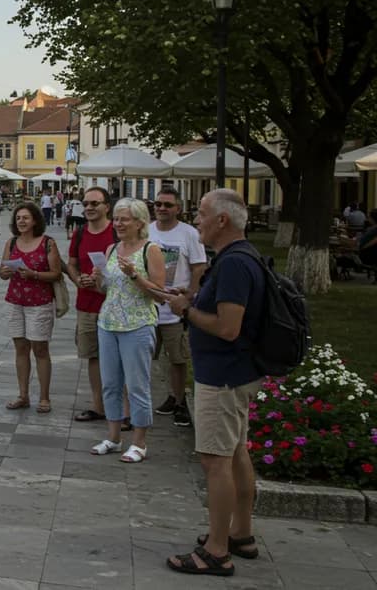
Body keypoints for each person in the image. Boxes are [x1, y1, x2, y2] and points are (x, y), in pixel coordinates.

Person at [164, 189, 265, 576]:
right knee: (236, 451)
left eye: (202, 213)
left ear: (222, 221)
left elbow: (227, 328)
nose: (197, 220)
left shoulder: (235, 263)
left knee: (216, 460)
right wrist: (189, 298)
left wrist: (187, 308)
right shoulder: (238, 257)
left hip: (223, 377)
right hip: (233, 373)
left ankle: (217, 551)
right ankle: (241, 533)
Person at [89, 198, 166, 463]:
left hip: (137, 325)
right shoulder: (112, 249)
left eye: (125, 219)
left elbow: (159, 294)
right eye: (118, 219)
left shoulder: (151, 250)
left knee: (137, 385)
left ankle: (139, 443)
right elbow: (107, 289)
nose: (119, 224)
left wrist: (135, 275)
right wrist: (98, 279)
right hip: (108, 323)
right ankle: (113, 437)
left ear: (140, 223)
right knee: (110, 384)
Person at [148, 187, 206, 427]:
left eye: (168, 205)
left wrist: (190, 295)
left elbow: (199, 266)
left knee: (178, 358)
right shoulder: (146, 230)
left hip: (174, 308)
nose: (162, 208)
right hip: (149, 305)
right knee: (143, 357)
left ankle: (179, 400)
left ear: (178, 209)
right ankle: (142, 401)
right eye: (158, 203)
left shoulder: (189, 234)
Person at [0, 202, 63, 413]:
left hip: (40, 302)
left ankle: (44, 397)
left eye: (26, 218)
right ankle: (23, 395)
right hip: (15, 301)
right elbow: (2, 270)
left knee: (40, 349)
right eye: (18, 218)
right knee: (21, 348)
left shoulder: (47, 243)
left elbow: (56, 273)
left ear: (35, 220)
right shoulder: (11, 243)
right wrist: (6, 272)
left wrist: (34, 275)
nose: (21, 221)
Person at [68, 187, 116, 424]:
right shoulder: (79, 234)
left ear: (107, 206)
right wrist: (78, 279)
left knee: (117, 357)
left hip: (114, 304)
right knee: (93, 356)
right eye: (85, 203)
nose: (88, 207)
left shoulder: (117, 232)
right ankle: (98, 406)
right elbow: (72, 264)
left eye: (94, 203)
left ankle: (121, 409)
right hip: (86, 303)